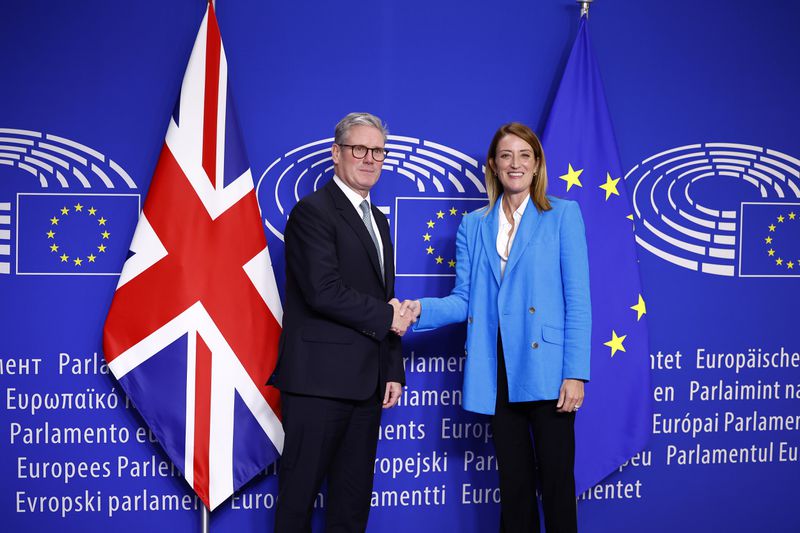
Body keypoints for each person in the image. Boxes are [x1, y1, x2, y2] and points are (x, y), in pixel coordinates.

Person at [401, 122, 591, 533]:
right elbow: (465, 298)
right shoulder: (474, 225)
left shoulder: (562, 215)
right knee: (514, 487)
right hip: (498, 370)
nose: (515, 163)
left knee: (557, 484)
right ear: (493, 165)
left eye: (525, 155)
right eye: (506, 155)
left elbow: (578, 300)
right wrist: (418, 310)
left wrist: (575, 373)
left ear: (538, 165)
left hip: (549, 370)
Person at [271, 112, 411, 533]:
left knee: (351, 508)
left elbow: (380, 294)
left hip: (366, 386)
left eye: (378, 151)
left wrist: (392, 367)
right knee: (297, 502)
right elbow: (322, 290)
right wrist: (390, 316)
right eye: (359, 149)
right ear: (336, 154)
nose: (370, 159)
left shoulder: (379, 220)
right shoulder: (312, 212)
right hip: (317, 386)